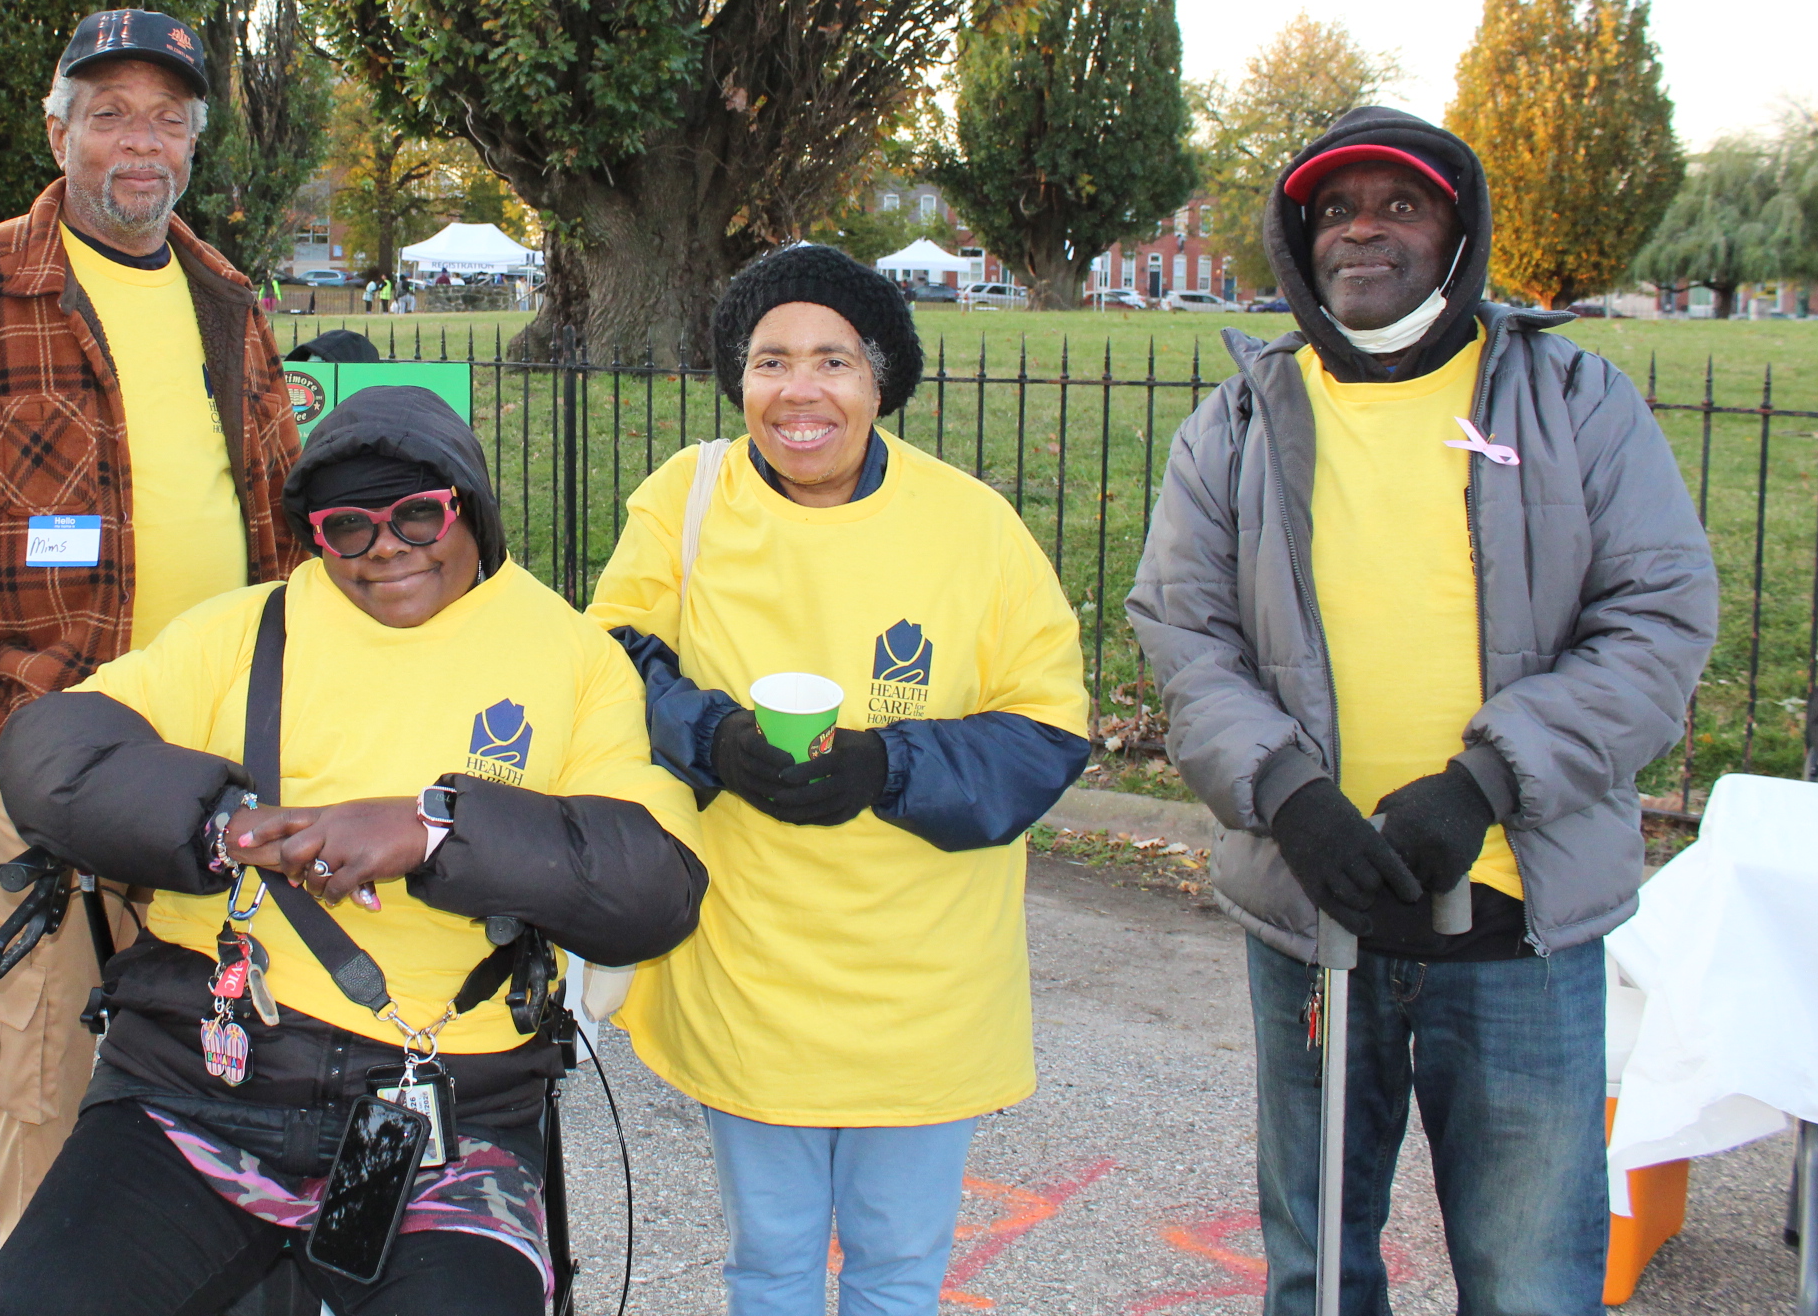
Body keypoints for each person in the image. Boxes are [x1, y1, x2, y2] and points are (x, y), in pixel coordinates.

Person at [1127, 107, 1720, 1315]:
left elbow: (1659, 619)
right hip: (1315, 919)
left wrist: (1484, 784)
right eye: (1335, 209)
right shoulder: (1237, 419)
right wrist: (1288, 798)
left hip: (1519, 926)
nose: (1363, 231)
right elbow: (1183, 633)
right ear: (1302, 239)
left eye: (1400, 206)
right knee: (1318, 1273)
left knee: (1530, 1280)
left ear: (1457, 230)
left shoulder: (1574, 400)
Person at [0, 384, 705, 1316]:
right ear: (317, 537)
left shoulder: (572, 656)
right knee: (45, 1301)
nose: (388, 547)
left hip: (451, 1108)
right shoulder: (242, 629)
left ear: (470, 510)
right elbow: (49, 754)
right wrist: (223, 825)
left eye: (417, 515)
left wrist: (436, 827)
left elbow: (655, 886)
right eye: (348, 528)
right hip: (201, 1084)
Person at [0, 7, 306, 1234]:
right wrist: (0, 738)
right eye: (110, 114)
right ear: (58, 132)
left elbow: (282, 521)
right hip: (50, 747)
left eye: (167, 118)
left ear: (195, 145)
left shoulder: (228, 301)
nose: (139, 143)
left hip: (223, 756)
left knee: (225, 1070)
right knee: (48, 1081)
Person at [586, 244, 1091, 1316]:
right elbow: (607, 660)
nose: (799, 392)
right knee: (769, 1263)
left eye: (833, 361)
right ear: (738, 380)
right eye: (770, 362)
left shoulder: (974, 527)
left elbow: (1046, 732)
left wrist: (884, 764)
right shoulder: (690, 496)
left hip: (925, 984)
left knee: (899, 1271)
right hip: (749, 966)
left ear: (880, 380)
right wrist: (712, 738)